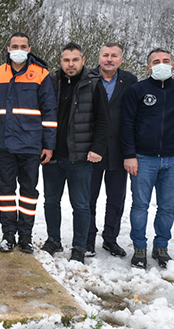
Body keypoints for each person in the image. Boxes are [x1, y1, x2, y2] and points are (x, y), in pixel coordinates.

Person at [121, 48, 174, 269]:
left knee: (167, 208)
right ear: (148, 66)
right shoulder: (137, 90)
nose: (161, 64)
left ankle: (161, 247)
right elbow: (127, 124)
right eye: (156, 61)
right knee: (140, 206)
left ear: (172, 64)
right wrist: (129, 155)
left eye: (166, 60)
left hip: (173, 160)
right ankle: (139, 248)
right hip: (143, 159)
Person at [0, 32, 57, 254]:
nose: (18, 49)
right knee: (5, 191)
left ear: (29, 48)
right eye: (14, 45)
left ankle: (25, 235)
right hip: (3, 143)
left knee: (28, 192)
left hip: (31, 144)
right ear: (8, 48)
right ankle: (8, 234)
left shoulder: (41, 74)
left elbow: (49, 111)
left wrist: (49, 144)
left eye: (23, 46)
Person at [43, 43, 109, 264]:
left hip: (80, 157)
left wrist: (97, 148)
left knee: (81, 204)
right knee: (51, 201)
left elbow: (103, 119)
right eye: (66, 60)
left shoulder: (93, 83)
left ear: (83, 60)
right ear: (60, 61)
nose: (70, 64)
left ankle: (79, 246)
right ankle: (54, 239)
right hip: (52, 155)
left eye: (75, 60)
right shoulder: (52, 82)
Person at [87, 43, 137, 258]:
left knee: (116, 199)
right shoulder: (87, 77)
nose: (109, 59)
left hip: (119, 149)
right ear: (98, 57)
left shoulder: (131, 81)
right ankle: (88, 238)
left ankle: (110, 239)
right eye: (105, 55)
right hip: (91, 149)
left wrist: (131, 151)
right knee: (88, 198)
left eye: (114, 56)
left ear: (121, 60)